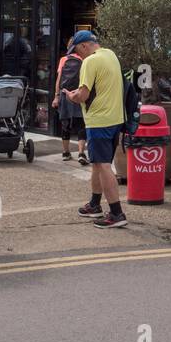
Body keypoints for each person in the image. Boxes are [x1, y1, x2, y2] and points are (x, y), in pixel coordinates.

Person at [64, 31, 127, 229]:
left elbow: (83, 95)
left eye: (76, 51)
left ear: (84, 46)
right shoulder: (111, 55)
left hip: (98, 120)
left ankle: (117, 213)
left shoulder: (89, 62)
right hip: (115, 118)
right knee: (98, 164)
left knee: (104, 165)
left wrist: (70, 96)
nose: (77, 56)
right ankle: (94, 204)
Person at [53, 34, 88, 163]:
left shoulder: (64, 59)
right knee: (81, 125)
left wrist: (56, 97)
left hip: (64, 94)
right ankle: (81, 153)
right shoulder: (85, 60)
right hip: (78, 94)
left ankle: (66, 152)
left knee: (65, 124)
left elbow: (58, 80)